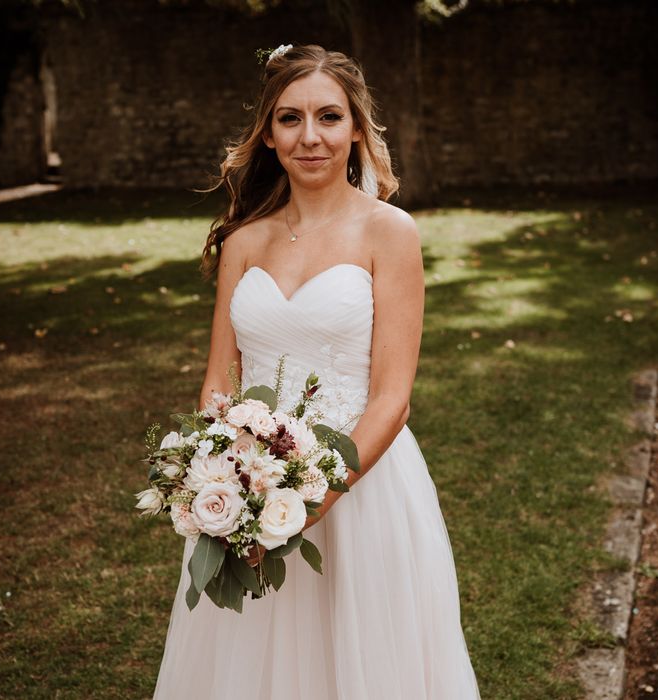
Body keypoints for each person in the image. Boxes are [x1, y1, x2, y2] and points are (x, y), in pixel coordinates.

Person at [152, 43, 481, 699]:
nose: (310, 137)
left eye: (329, 117)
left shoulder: (390, 233)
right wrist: (223, 482)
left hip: (363, 487)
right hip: (248, 487)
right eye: (290, 119)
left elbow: (393, 399)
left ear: (356, 128)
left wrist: (309, 502)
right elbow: (219, 380)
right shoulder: (243, 241)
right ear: (268, 136)